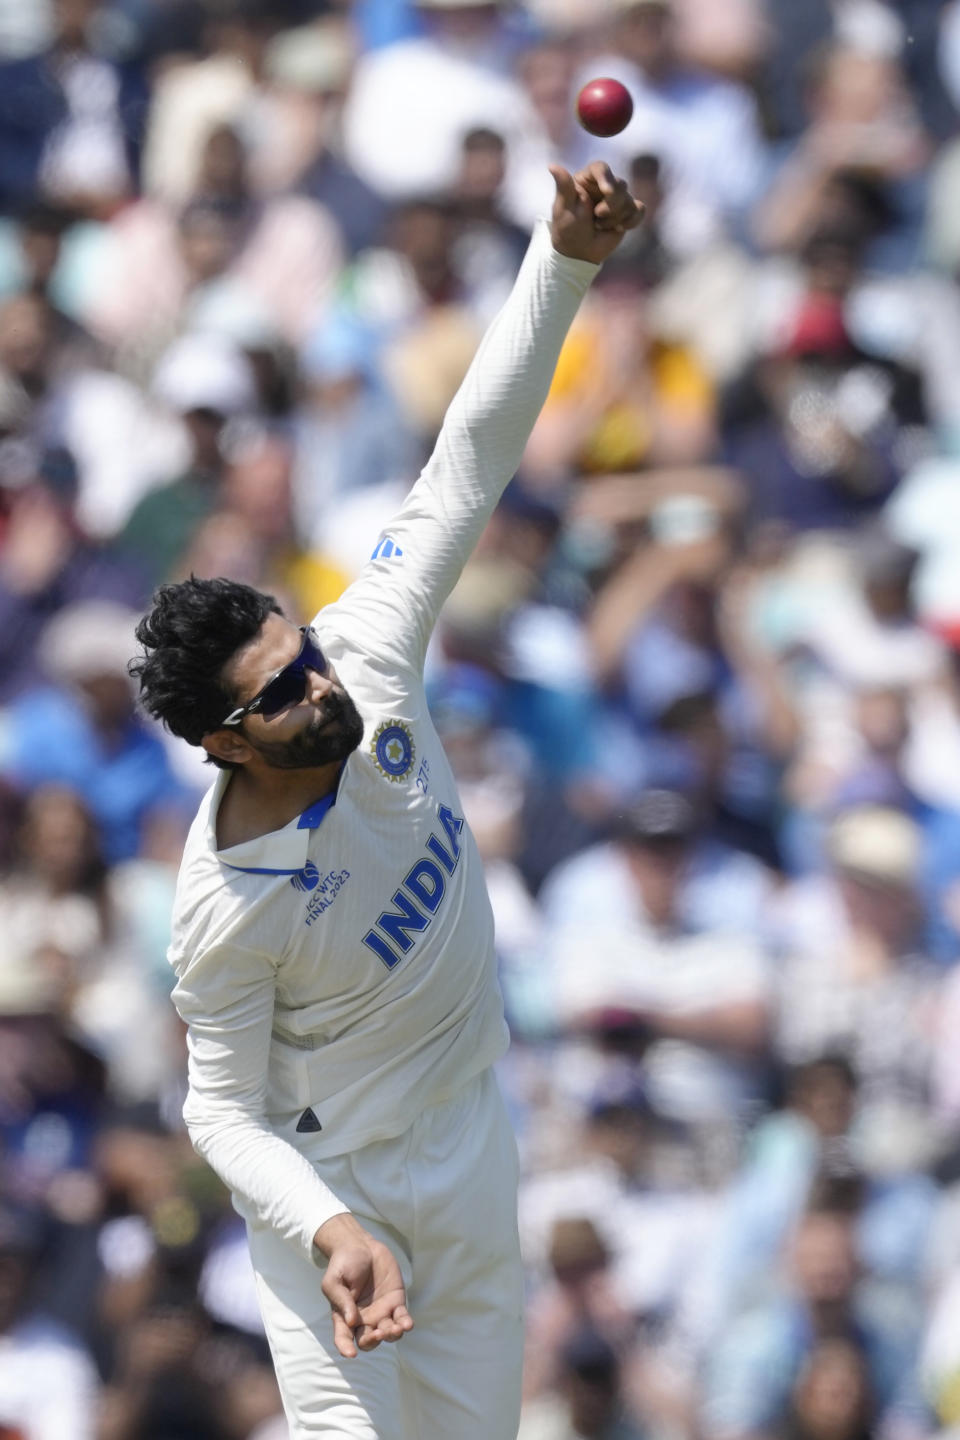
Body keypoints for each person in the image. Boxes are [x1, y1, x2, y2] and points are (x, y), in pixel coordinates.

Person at [129, 160, 643, 1439]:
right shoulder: (226, 907)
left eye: (302, 654)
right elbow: (221, 1113)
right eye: (283, 696)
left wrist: (563, 260)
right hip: (337, 1200)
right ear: (225, 746)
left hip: (470, 1149)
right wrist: (329, 1223)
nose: (320, 685)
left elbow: (466, 460)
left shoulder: (366, 647)